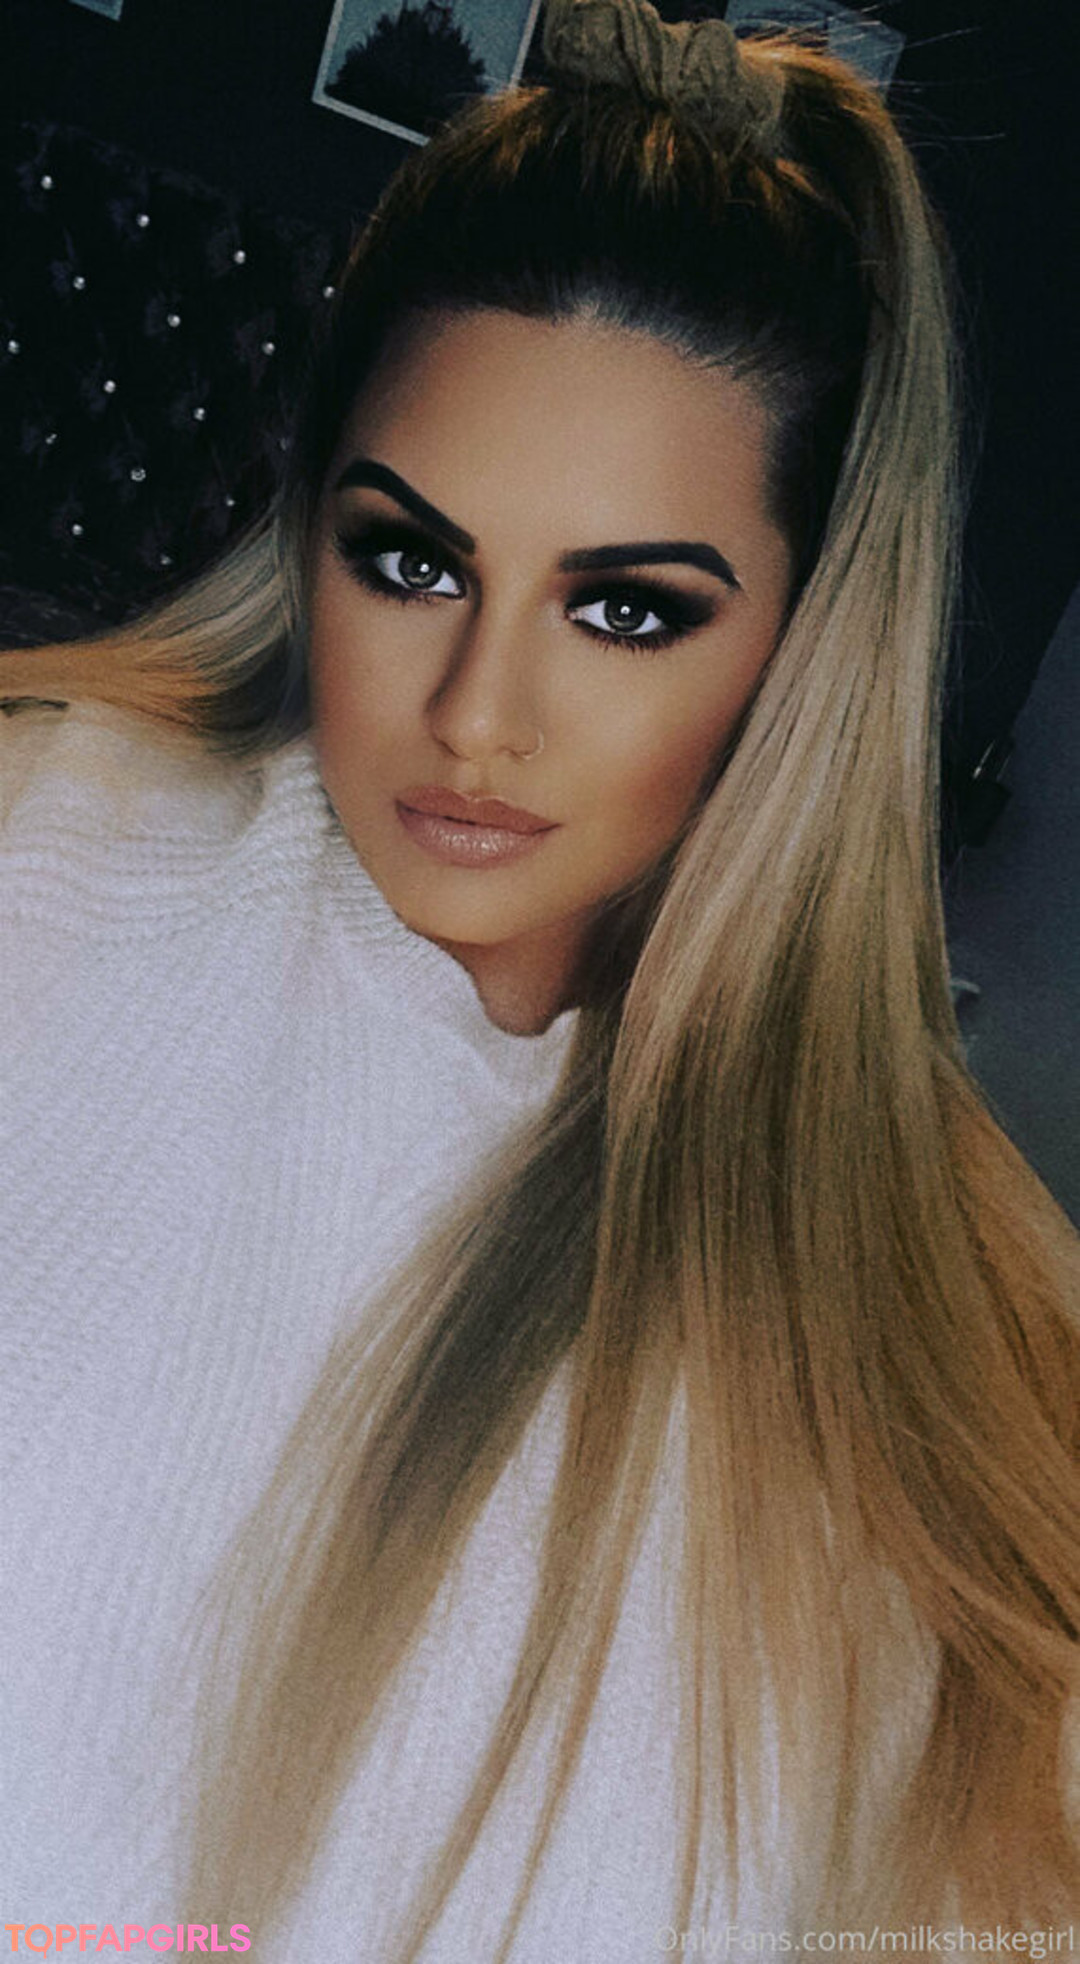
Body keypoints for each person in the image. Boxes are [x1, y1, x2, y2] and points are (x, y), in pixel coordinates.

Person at [2, 0, 1079, 1956]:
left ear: (803, 647)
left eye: (627, 609)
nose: (478, 714)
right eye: (412, 563)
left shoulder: (960, 1318)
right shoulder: (50, 851)